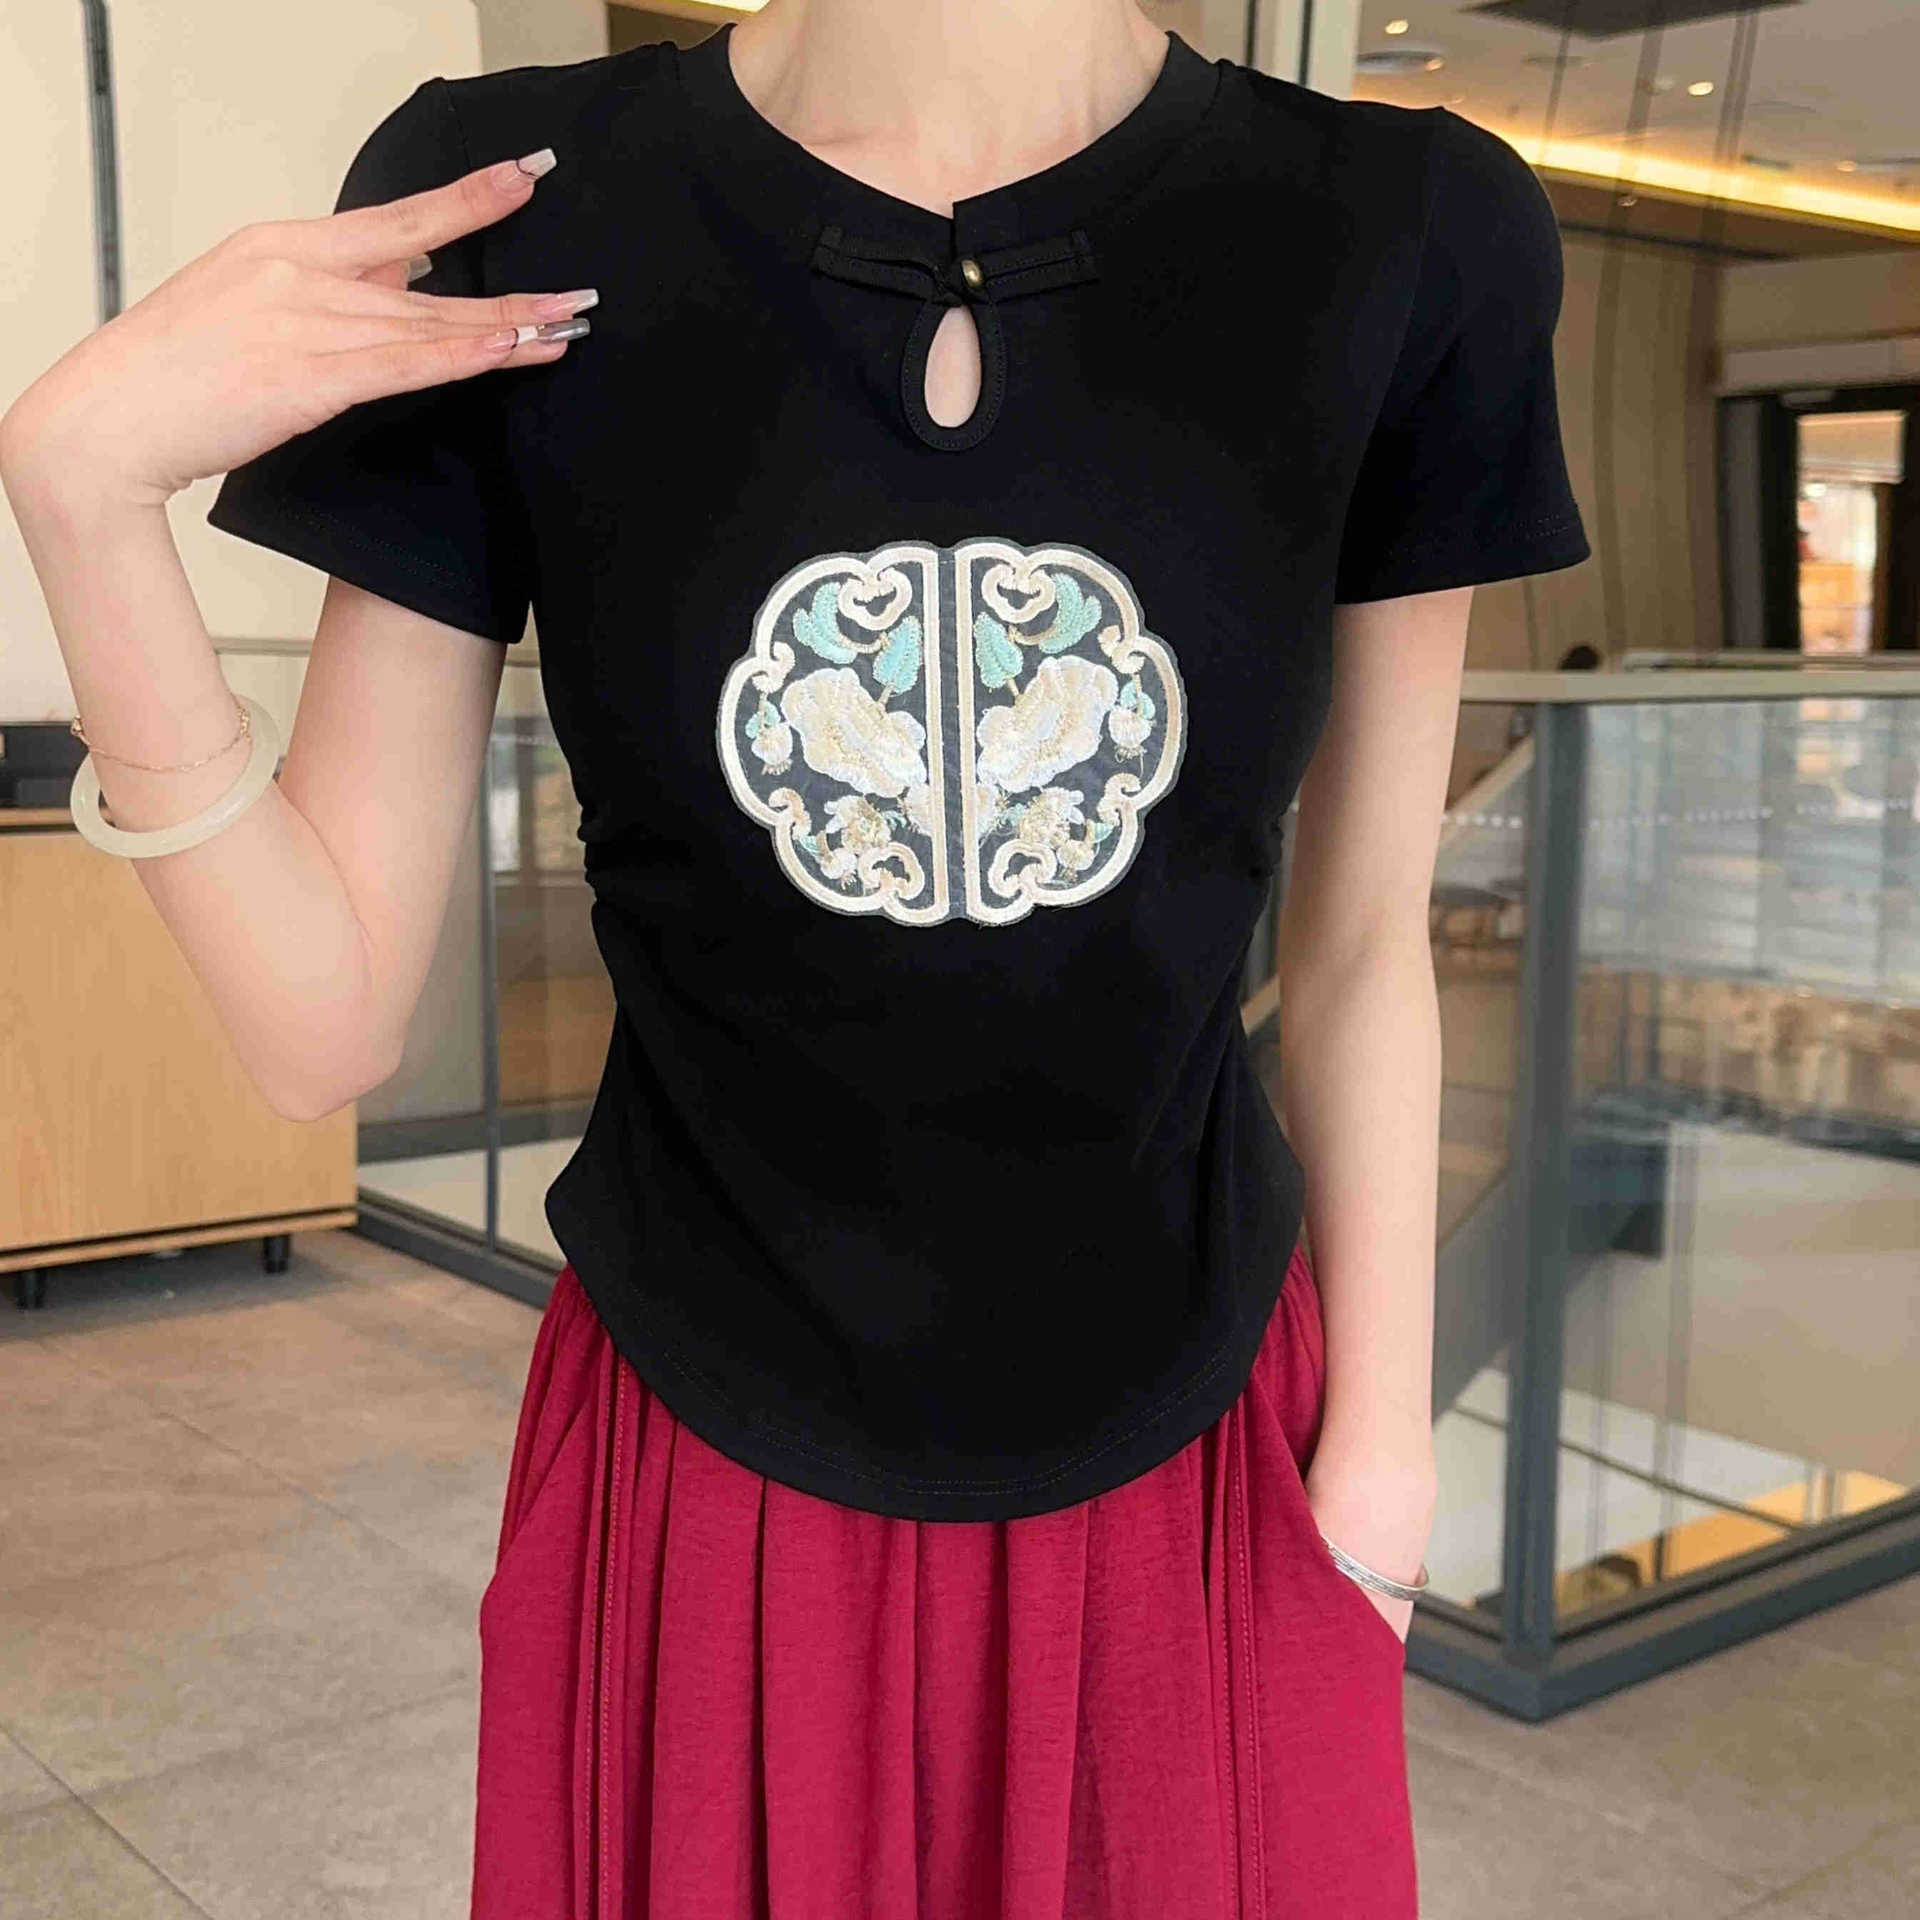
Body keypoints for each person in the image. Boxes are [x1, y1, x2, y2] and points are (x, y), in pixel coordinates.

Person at [0, 0, 1591, 1912]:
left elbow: (1360, 944)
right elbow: (314, 1026)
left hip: (1201, 1428)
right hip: (704, 1466)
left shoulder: (1404, 229)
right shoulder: (517, 203)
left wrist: (1388, 1446)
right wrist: (83, 503)